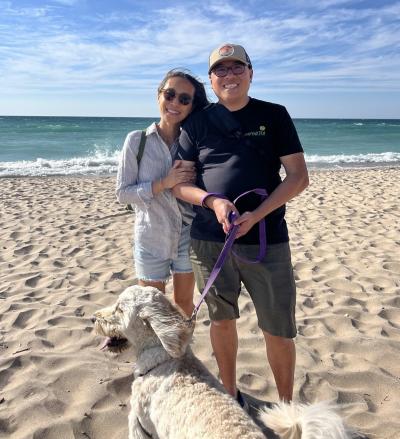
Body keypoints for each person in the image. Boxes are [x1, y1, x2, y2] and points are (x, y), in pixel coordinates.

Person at [173, 44, 309, 403]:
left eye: (237, 68)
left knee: (278, 328)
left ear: (251, 73)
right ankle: (231, 395)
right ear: (211, 80)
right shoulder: (196, 123)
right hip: (208, 239)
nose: (229, 75)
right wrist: (213, 201)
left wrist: (257, 214)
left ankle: (286, 407)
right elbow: (181, 185)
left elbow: (297, 177)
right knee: (220, 321)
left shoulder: (274, 115)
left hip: (267, 238)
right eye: (221, 70)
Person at [116, 69, 209, 317]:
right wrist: (163, 183)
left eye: (184, 99)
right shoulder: (137, 141)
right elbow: (123, 193)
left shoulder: (196, 142)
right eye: (170, 94)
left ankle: (181, 355)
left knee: (183, 307)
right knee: (152, 312)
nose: (175, 103)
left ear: (192, 106)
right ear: (159, 95)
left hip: (188, 235)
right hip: (151, 236)